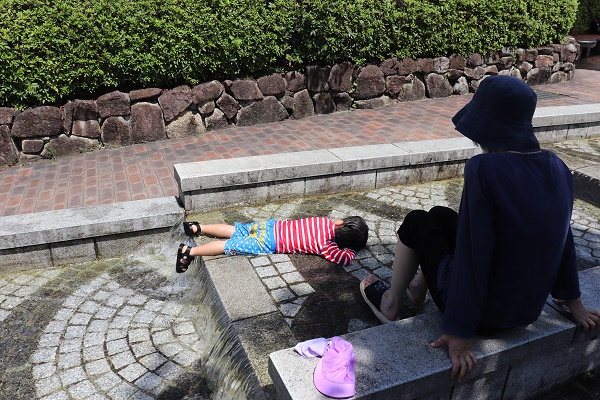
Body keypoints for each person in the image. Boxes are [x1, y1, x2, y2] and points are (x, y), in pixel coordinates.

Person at [359, 75, 600, 383]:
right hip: (526, 311)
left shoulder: (484, 169)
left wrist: (459, 332)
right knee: (441, 214)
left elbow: (475, 255)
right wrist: (573, 301)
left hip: (485, 317)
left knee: (418, 220)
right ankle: (418, 288)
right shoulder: (557, 166)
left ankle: (391, 304)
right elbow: (561, 238)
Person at [176, 216, 368, 273]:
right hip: (269, 242)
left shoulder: (324, 221)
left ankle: (197, 227)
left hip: (270, 226)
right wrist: (352, 248)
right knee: (229, 246)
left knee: (237, 230)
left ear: (340, 223)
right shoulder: (327, 245)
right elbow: (345, 259)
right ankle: (189, 252)